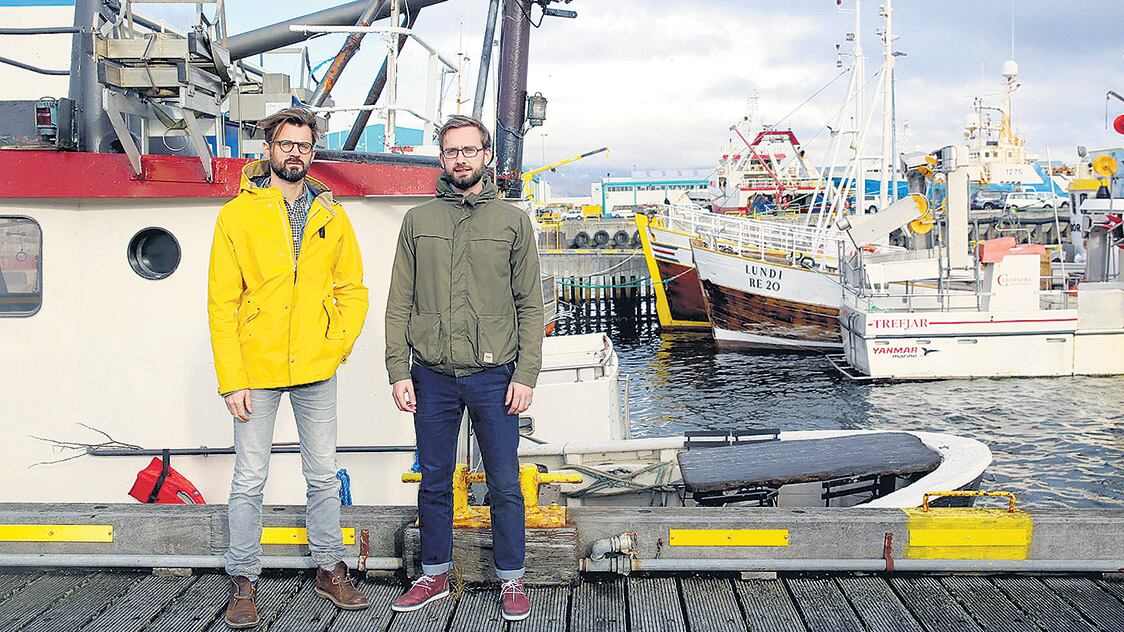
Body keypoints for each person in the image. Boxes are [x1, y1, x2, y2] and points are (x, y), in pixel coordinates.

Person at [207, 107, 370, 629]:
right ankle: (243, 579)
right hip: (256, 368)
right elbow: (222, 303)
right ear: (269, 150)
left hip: (316, 368)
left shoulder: (332, 215)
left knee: (322, 473)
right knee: (249, 477)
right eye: (286, 144)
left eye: (304, 144)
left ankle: (328, 567)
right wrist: (232, 379)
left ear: (313, 151)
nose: (295, 152)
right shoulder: (236, 215)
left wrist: (336, 343)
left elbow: (353, 290)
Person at [384, 114, 544, 622]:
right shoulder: (418, 221)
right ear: (441, 156)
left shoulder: (513, 222)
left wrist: (526, 374)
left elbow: (531, 306)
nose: (460, 160)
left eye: (470, 151)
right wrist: (397, 368)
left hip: (495, 374)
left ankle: (512, 580)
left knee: (503, 480)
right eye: (452, 151)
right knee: (433, 478)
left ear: (486, 156)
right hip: (431, 373)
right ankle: (434, 574)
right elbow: (398, 302)